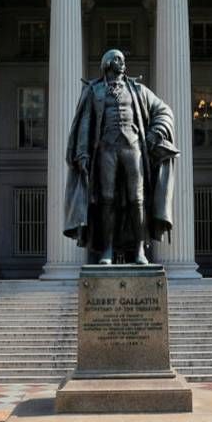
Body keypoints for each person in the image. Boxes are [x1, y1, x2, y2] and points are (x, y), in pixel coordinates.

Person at [64, 48, 178, 264]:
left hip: (133, 148)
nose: (122, 62)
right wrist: (81, 152)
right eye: (117, 59)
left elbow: (164, 111)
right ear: (107, 63)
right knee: (107, 199)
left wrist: (155, 134)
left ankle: (139, 251)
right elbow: (85, 123)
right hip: (106, 149)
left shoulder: (138, 90)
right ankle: (106, 250)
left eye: (123, 59)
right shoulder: (94, 91)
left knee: (137, 199)